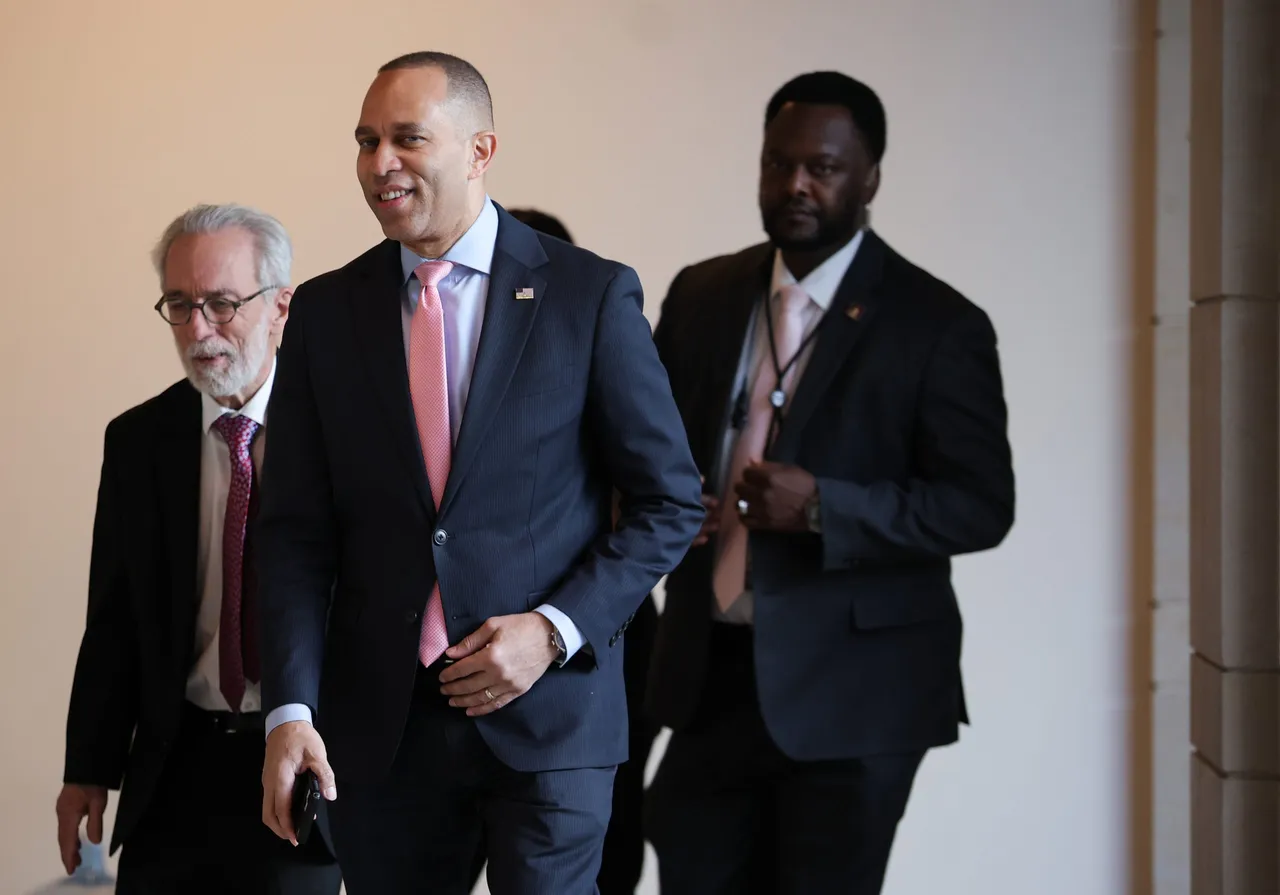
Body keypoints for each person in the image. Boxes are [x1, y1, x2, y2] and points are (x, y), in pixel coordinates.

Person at [255, 52, 704, 895]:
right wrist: (289, 710)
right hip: (382, 731)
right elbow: (292, 535)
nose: (379, 163)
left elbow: (669, 501)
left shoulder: (589, 296)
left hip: (551, 720)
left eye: (407, 138)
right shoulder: (324, 312)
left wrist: (553, 628)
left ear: (480, 149)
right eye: (366, 141)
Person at [644, 71, 1016, 895]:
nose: (796, 186)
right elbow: (655, 449)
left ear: (870, 177)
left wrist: (820, 506)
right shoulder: (702, 293)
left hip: (856, 697)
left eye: (823, 166)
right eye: (779, 164)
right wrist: (670, 508)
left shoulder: (938, 323)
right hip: (710, 672)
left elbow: (981, 504)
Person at [56, 204, 343, 895]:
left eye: (221, 303)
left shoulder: (341, 431)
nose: (197, 329)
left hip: (301, 764)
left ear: (281, 306)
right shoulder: (139, 440)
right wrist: (87, 765)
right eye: (180, 304)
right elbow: (115, 616)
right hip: (175, 765)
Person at [457, 207, 661, 895]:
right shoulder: (446, 350)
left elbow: (660, 492)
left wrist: (557, 628)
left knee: (611, 832)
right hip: (438, 674)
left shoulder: (593, 318)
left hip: (596, 635)